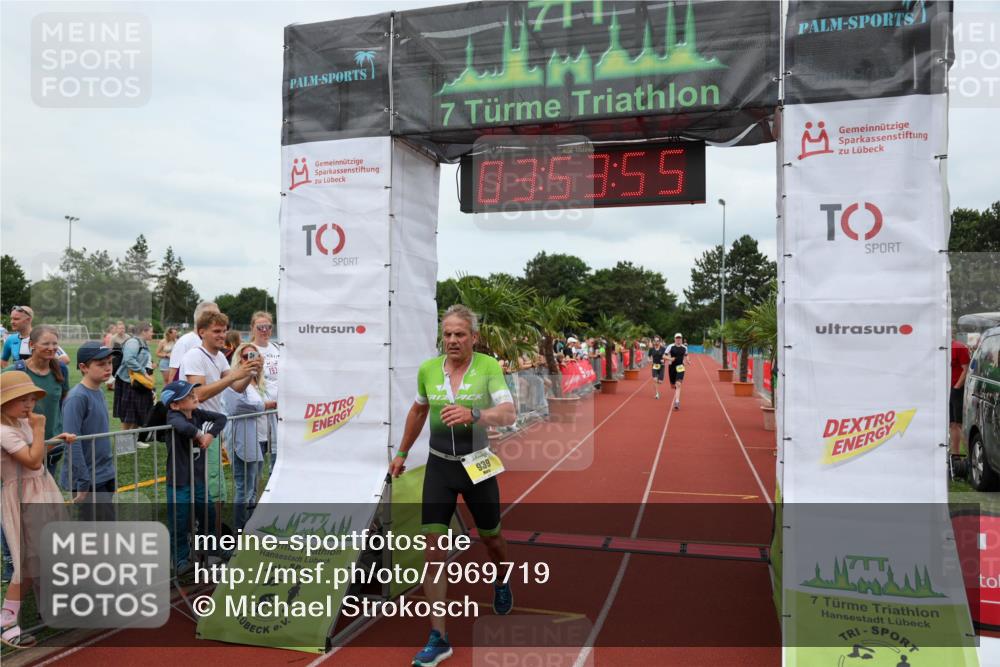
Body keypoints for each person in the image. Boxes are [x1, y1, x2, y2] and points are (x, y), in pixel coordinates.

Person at [389, 305, 516, 667]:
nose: (452, 340)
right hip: (440, 468)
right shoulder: (429, 370)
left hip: (478, 466)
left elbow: (508, 414)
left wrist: (476, 414)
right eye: (447, 334)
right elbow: (418, 411)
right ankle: (438, 636)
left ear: (473, 337)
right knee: (433, 548)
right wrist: (401, 452)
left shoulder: (488, 367)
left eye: (460, 334)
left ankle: (503, 580)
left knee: (492, 537)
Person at [0, 371, 73, 648]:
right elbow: (31, 461)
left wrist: (54, 438)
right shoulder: (3, 431)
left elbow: (36, 450)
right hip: (22, 495)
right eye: (21, 399)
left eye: (31, 398)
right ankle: (6, 619)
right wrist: (41, 429)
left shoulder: (20, 423)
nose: (29, 404)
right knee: (28, 561)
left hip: (41, 490)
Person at [181, 311, 261, 503]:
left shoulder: (219, 357)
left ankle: (211, 526)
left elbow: (235, 387)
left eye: (224, 331)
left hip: (212, 426)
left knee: (213, 481)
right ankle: (203, 528)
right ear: (202, 332)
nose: (222, 335)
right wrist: (234, 375)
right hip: (198, 427)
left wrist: (251, 372)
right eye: (216, 331)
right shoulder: (194, 356)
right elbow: (198, 394)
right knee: (206, 482)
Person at [161, 380, 227, 573]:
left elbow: (221, 418)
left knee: (207, 513)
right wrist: (200, 434)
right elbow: (183, 427)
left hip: (197, 477)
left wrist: (211, 435)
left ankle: (211, 547)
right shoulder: (173, 415)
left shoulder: (197, 412)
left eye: (193, 393)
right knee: (179, 520)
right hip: (179, 479)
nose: (194, 396)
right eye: (188, 396)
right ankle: (180, 559)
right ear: (175, 404)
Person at [1, 326, 74, 477]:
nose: (51, 348)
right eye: (46, 344)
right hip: (22, 446)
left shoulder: (61, 370)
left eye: (55, 344)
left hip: (52, 444)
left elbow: (62, 398)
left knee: (45, 491)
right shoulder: (15, 372)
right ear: (32, 345)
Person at [62, 342, 119, 521]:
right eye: (101, 364)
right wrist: (83, 481)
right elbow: (72, 442)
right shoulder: (78, 397)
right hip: (88, 479)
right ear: (83, 367)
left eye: (109, 362)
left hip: (104, 473)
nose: (108, 368)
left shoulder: (99, 392)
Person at [222, 343, 275, 531]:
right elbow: (237, 406)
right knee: (244, 488)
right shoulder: (233, 380)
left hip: (259, 437)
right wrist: (266, 406)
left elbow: (256, 405)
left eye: (254, 356)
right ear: (238, 360)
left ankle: (250, 526)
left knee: (253, 487)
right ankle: (239, 530)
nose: (251, 360)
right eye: (246, 357)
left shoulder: (257, 382)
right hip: (242, 439)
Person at [115, 323, 155, 450]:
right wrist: (144, 372)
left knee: (139, 412)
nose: (152, 334)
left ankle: (134, 440)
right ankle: (124, 445)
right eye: (151, 331)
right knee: (128, 414)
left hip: (140, 382)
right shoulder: (133, 342)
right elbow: (129, 360)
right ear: (144, 331)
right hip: (129, 382)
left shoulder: (143, 343)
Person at [250, 311, 280, 467]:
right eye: (260, 327)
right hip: (261, 410)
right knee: (259, 454)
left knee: (277, 453)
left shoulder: (276, 348)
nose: (264, 330)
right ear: (252, 328)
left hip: (279, 411)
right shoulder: (249, 350)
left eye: (268, 326)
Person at [167, 301, 220, 384]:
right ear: (199, 318)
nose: (217, 318)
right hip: (192, 395)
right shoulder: (185, 342)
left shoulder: (216, 341)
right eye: (211, 315)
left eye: (217, 315)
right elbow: (173, 378)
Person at [951, 337, 972, 457]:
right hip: (945, 389)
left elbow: (966, 369)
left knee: (959, 423)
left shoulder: (959, 347)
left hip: (957, 389)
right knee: (952, 423)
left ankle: (966, 455)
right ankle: (955, 454)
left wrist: (957, 387)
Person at [666, 333, 688, 411]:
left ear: (681, 339)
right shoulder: (670, 346)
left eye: (679, 338)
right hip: (672, 368)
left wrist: (687, 361)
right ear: (675, 339)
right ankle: (673, 384)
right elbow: (664, 356)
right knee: (673, 386)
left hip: (680, 367)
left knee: (678, 384)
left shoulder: (684, 347)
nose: (678, 339)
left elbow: (686, 356)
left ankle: (677, 402)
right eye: (677, 338)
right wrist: (670, 359)